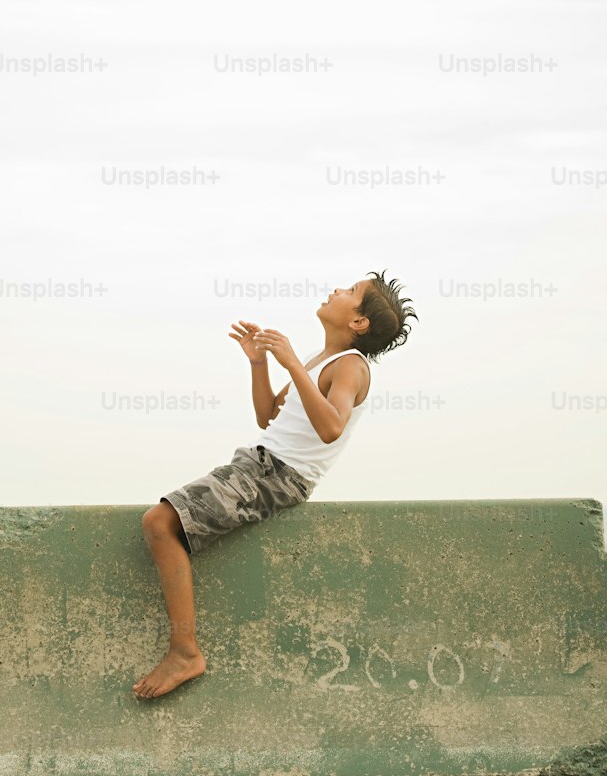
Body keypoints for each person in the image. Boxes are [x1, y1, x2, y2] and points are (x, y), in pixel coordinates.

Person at [133, 270, 417, 699]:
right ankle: (184, 650)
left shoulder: (351, 368)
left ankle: (185, 652)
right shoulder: (320, 360)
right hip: (259, 464)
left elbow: (331, 427)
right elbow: (269, 415)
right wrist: (260, 362)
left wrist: (290, 363)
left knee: (159, 522)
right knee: (160, 522)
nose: (338, 288)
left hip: (277, 475)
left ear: (358, 322)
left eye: (351, 291)